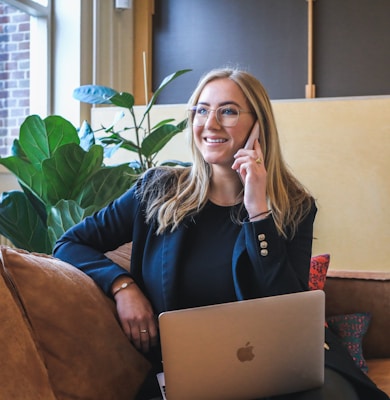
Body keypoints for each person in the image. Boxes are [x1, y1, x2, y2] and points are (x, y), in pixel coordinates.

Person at [53, 68, 388, 400]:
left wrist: (259, 212)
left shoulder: (294, 206)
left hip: (282, 369)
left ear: (258, 125)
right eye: (201, 110)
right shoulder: (156, 191)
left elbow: (289, 309)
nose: (210, 123)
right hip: (190, 374)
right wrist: (122, 286)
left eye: (227, 111)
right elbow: (69, 243)